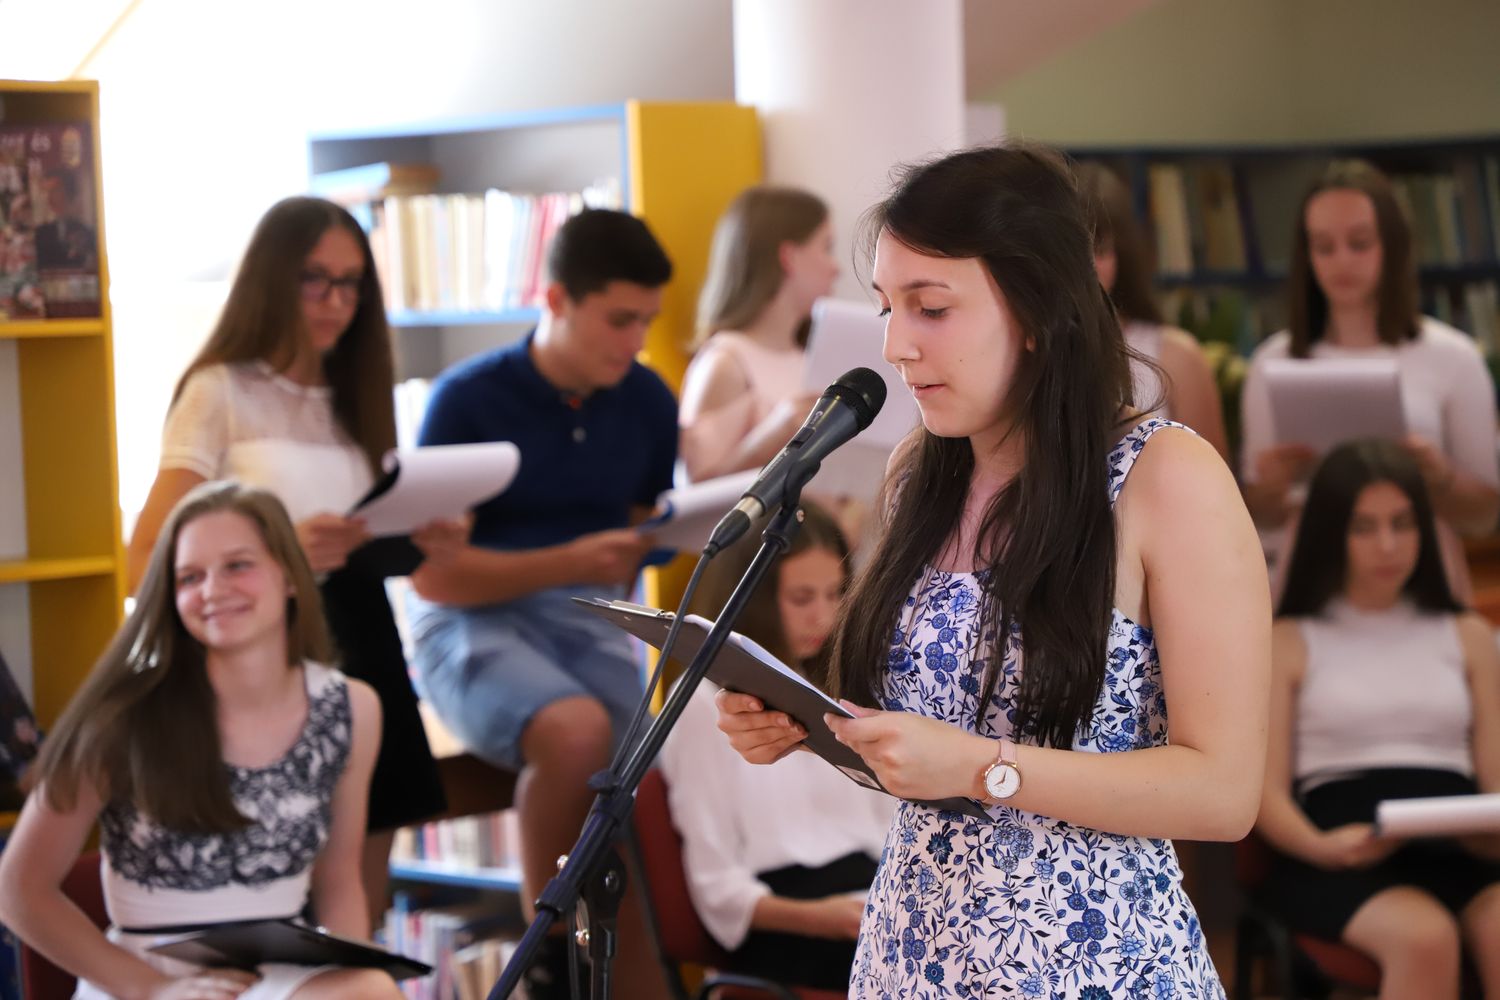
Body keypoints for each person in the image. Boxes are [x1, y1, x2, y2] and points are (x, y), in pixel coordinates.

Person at [714, 144, 1270, 998]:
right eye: (887, 307)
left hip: (1093, 963)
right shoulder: (918, 472)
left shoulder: (1166, 478)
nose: (895, 346)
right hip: (911, 953)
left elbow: (1223, 792)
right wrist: (807, 728)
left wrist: (981, 767)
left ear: (1037, 308)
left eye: (931, 308)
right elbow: (920, 739)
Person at [124, 196, 464, 922]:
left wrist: (421, 540)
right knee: (276, 883)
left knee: (363, 879)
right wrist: (278, 554)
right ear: (271, 280)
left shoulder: (355, 395)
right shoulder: (219, 391)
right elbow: (146, 557)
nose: (335, 302)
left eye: (351, 284)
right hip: (266, 647)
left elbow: (374, 544)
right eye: (315, 280)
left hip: (363, 634)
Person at [405, 207, 676, 998]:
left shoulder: (648, 400)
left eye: (647, 321)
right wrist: (573, 561)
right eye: (620, 320)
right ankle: (548, 961)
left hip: (592, 618)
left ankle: (638, 980)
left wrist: (652, 539)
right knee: (577, 732)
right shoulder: (467, 400)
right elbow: (435, 580)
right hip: (469, 622)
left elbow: (644, 524)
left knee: (647, 777)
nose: (636, 341)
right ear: (556, 300)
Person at [0, 481, 401, 1000]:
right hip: (146, 976)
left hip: (283, 973)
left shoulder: (353, 708)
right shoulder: (120, 718)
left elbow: (339, 878)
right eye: (190, 577)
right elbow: (18, 889)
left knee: (371, 992)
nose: (213, 590)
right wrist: (151, 989)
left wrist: (353, 975)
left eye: (238, 565)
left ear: (290, 576)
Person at [1256, 439, 1500, 999]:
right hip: (1338, 842)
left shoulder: (1468, 635)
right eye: (1363, 527)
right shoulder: (1290, 639)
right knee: (1425, 938)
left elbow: (1494, 780)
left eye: (1402, 523)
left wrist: (1489, 837)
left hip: (1457, 838)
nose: (1388, 545)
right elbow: (1264, 793)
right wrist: (1321, 847)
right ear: (1330, 533)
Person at [657, 502, 893, 992]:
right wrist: (823, 919)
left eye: (835, 594)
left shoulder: (840, 686)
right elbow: (716, 885)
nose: (823, 616)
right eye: (802, 598)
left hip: (866, 897)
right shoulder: (702, 703)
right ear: (755, 598)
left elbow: (887, 824)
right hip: (789, 924)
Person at [1239, 159, 1500, 588]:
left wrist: (1440, 478)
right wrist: (1272, 487)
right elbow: (1260, 517)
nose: (1342, 260)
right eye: (1324, 247)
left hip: (1423, 584)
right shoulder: (1273, 361)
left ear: (1392, 246)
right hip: (1311, 588)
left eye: (1359, 243)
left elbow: (1484, 515)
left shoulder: (1453, 357)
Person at [677, 185, 839, 484]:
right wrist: (774, 434)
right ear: (789, 256)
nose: (836, 268)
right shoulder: (725, 363)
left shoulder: (806, 359)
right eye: (826, 247)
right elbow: (695, 491)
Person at [1076, 160, 1230, 462]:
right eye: (1074, 252)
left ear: (1122, 254)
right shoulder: (1026, 352)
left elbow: (1214, 479)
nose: (1087, 268)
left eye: (1100, 250)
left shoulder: (1175, 355)